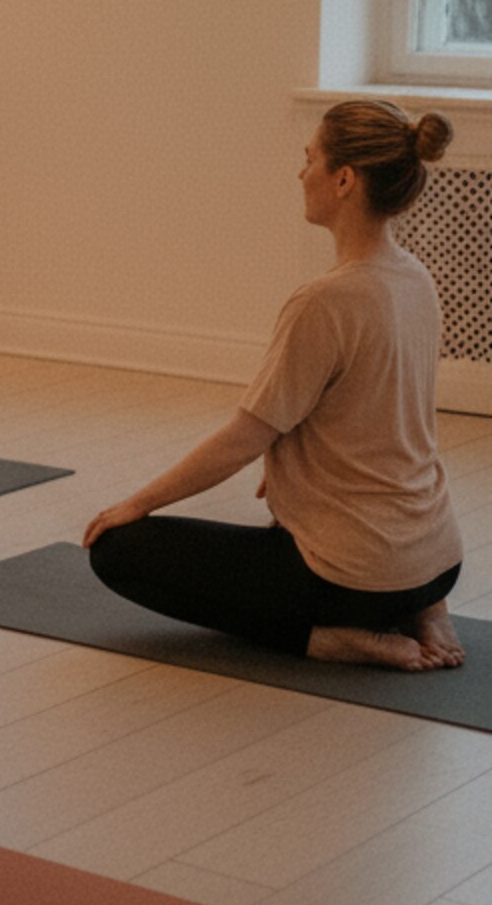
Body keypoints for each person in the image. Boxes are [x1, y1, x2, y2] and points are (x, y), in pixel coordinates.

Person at [83, 99, 464, 672]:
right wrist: (292, 461)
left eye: (309, 159)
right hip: (438, 560)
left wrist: (135, 504)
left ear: (343, 179)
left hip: (355, 579)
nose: (301, 172)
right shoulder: (417, 280)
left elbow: (241, 439)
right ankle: (426, 609)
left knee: (118, 552)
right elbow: (378, 416)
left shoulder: (325, 301)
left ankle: (333, 640)